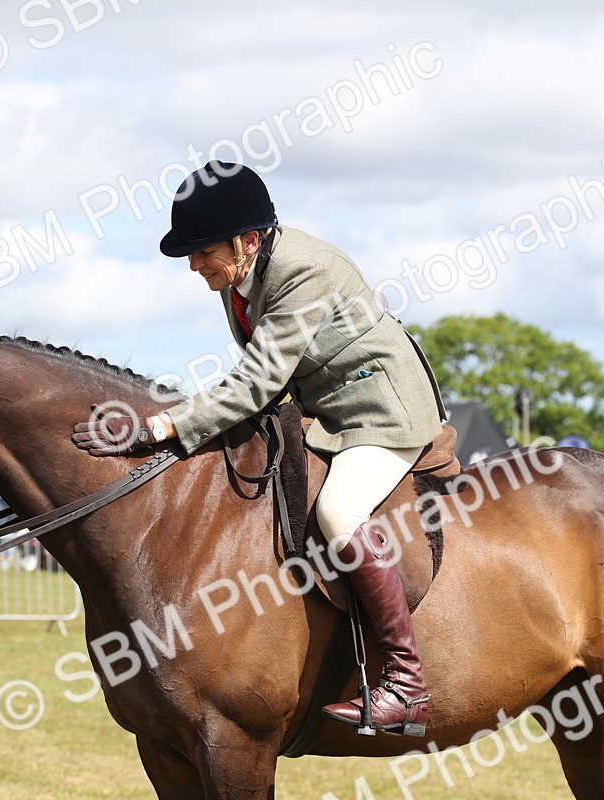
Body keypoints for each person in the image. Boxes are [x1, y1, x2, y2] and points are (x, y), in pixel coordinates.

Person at [72, 162, 446, 737]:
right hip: (323, 412)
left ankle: (406, 683)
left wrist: (160, 428)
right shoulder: (242, 274)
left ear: (248, 240)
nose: (194, 266)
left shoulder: (306, 269)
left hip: (382, 412)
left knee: (339, 513)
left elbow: (255, 384)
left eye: (201, 252)